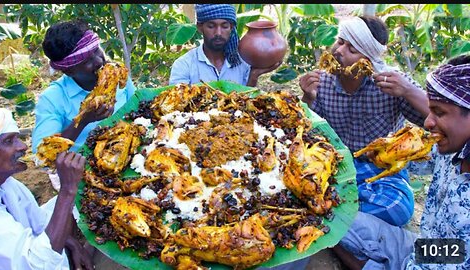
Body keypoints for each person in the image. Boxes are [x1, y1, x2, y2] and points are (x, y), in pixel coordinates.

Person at [333, 54, 470, 269]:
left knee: (339, 241)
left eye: (440, 113)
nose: (428, 122)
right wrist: (386, 153)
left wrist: (355, 262)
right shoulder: (453, 148)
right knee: (335, 221)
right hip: (431, 248)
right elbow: (421, 160)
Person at [298, 15, 429, 226]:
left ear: (368, 59)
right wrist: (307, 98)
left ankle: (331, 214)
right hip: (335, 166)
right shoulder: (321, 82)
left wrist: (409, 90)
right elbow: (307, 132)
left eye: (352, 49)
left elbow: (436, 119)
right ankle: (347, 217)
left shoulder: (391, 83)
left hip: (380, 170)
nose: (339, 51)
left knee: (397, 209)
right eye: (340, 42)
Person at [0, 108, 93, 269]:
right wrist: (67, 189)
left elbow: (39, 223)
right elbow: (35, 265)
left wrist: (74, 244)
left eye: (18, 138)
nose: (23, 146)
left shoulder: (8, 184)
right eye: (9, 141)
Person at [32, 19, 136, 154]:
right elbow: (41, 155)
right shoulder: (52, 98)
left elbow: (138, 108)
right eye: (87, 61)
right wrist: (82, 120)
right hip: (82, 169)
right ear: (69, 71)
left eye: (96, 50)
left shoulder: (119, 76)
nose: (99, 61)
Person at [168, 4, 280, 87]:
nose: (218, 33)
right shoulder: (183, 65)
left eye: (224, 26)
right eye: (211, 26)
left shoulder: (243, 62)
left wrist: (254, 76)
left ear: (231, 28)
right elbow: (177, 102)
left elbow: (247, 102)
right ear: (200, 27)